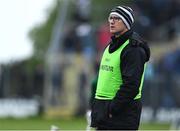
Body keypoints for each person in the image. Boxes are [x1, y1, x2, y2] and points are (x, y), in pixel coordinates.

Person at [90, 5, 150, 130]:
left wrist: (113, 108)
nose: (112, 21)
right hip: (105, 113)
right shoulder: (111, 45)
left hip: (121, 116)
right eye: (110, 18)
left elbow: (131, 86)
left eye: (117, 18)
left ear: (127, 22)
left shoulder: (134, 49)